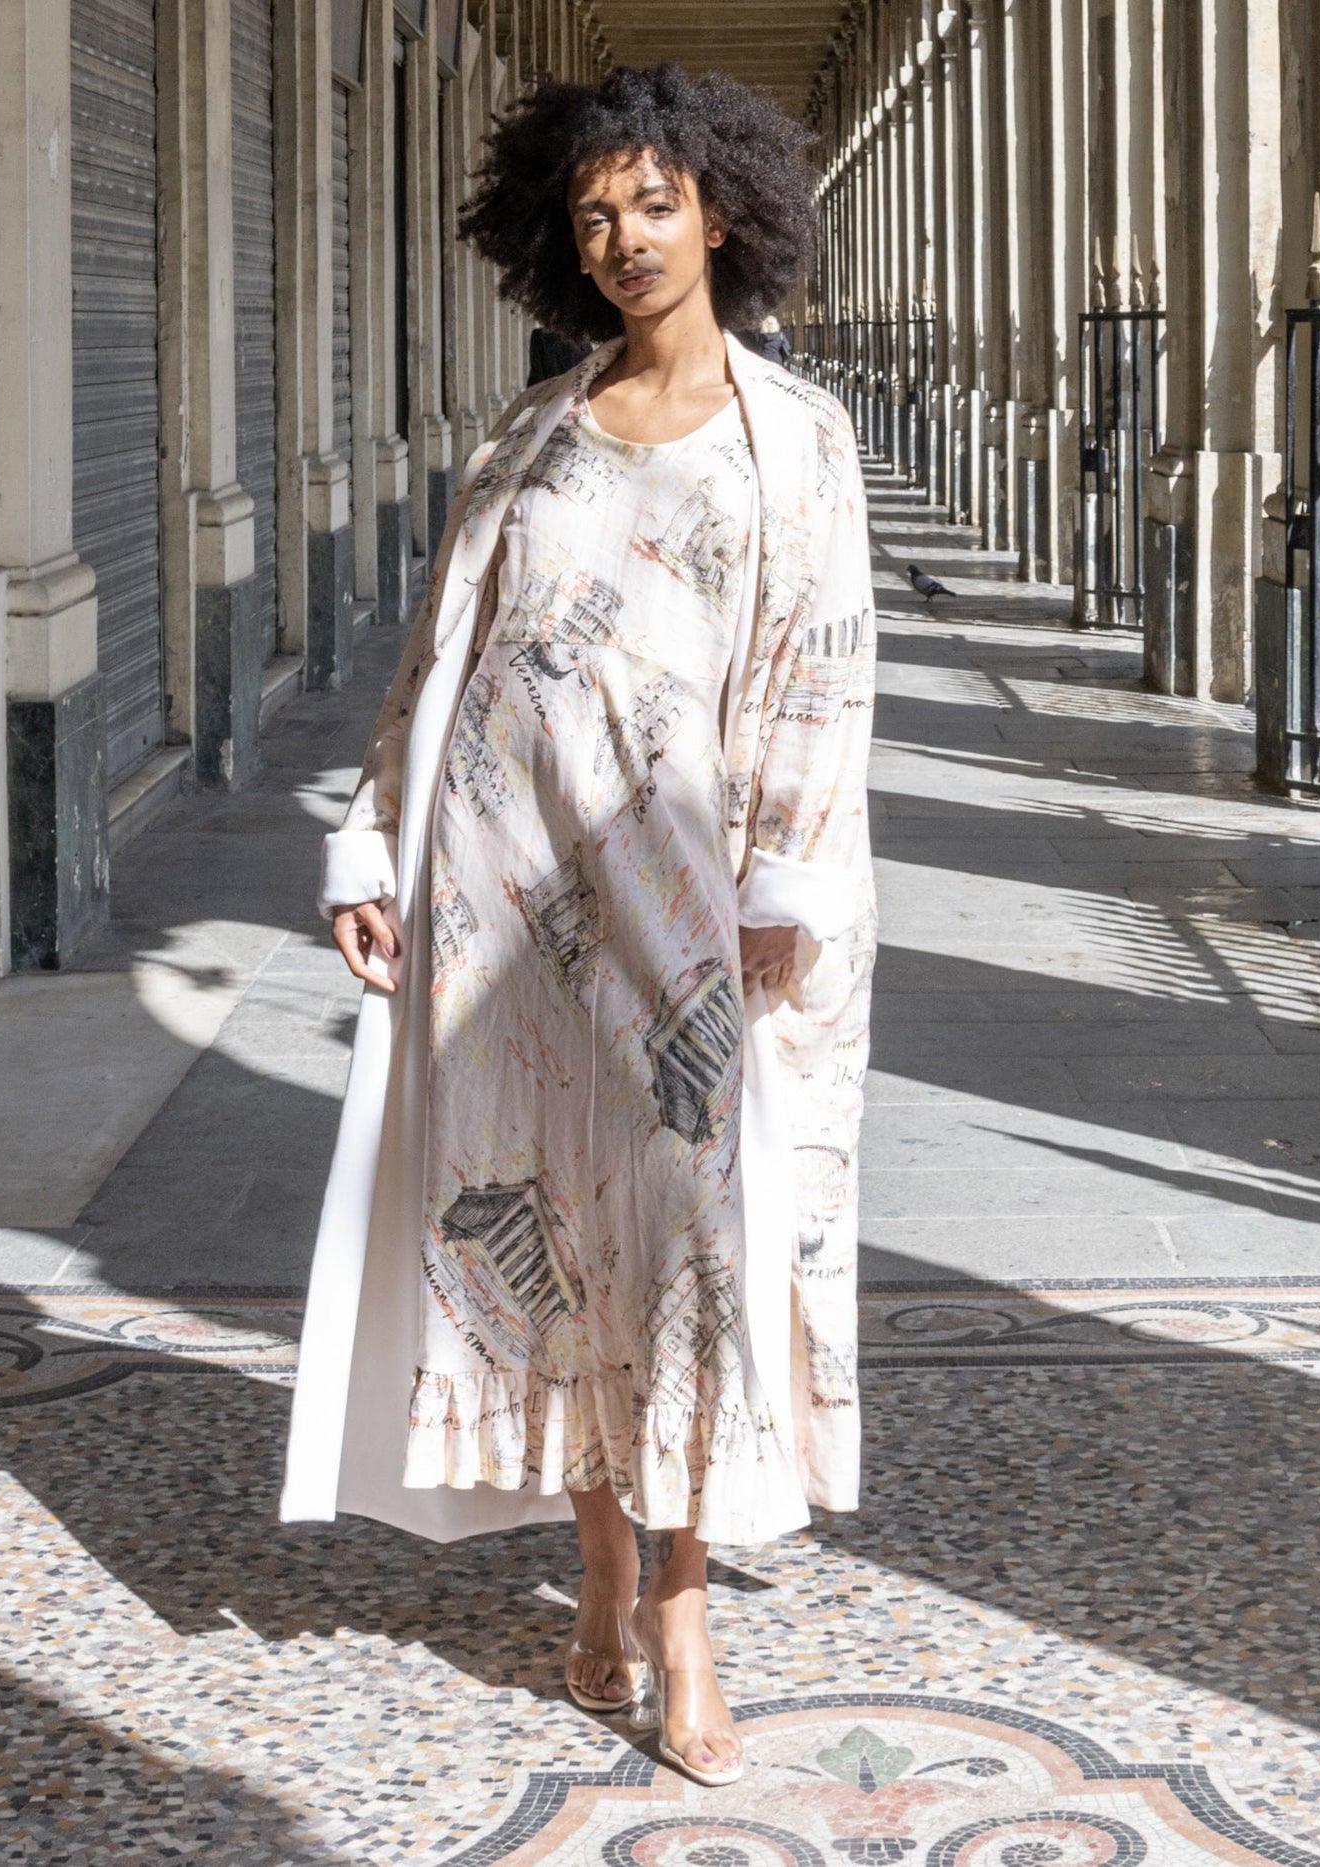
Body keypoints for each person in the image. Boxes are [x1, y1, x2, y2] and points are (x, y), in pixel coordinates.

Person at [280, 62, 876, 1789]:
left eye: (654, 204)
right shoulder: (530, 432)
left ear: (725, 215)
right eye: (595, 213)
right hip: (498, 899)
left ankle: (683, 1617)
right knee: (541, 1232)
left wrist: (782, 889)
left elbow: (824, 680)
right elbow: (437, 658)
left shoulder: (795, 440)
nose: (624, 238)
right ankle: (603, 1567)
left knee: (688, 1242)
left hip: (687, 909)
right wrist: (370, 845)